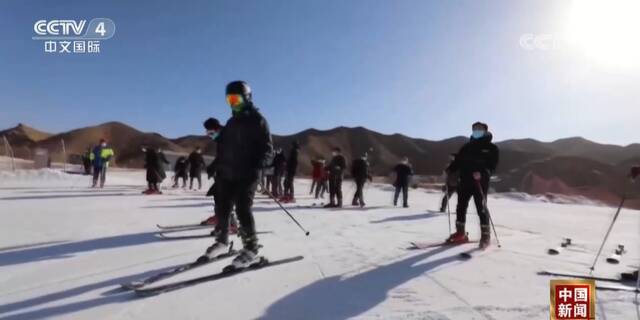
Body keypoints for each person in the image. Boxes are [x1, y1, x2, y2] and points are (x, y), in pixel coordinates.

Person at [201, 80, 274, 269]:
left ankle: (251, 250)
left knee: (242, 209)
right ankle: (223, 242)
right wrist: (214, 130)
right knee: (222, 208)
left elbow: (268, 150)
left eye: (236, 98)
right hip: (228, 172)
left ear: (247, 98)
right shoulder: (232, 122)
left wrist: (259, 164)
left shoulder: (258, 120)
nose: (233, 103)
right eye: (229, 99)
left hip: (248, 173)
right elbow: (224, 143)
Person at [445, 121, 499, 249]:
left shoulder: (491, 148)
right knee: (460, 206)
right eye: (474, 129)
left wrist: (483, 173)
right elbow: (457, 162)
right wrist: (450, 169)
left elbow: (492, 166)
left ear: (485, 131)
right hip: (464, 181)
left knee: (481, 208)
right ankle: (460, 233)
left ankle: (485, 236)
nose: (476, 130)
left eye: (479, 129)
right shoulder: (466, 147)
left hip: (480, 182)